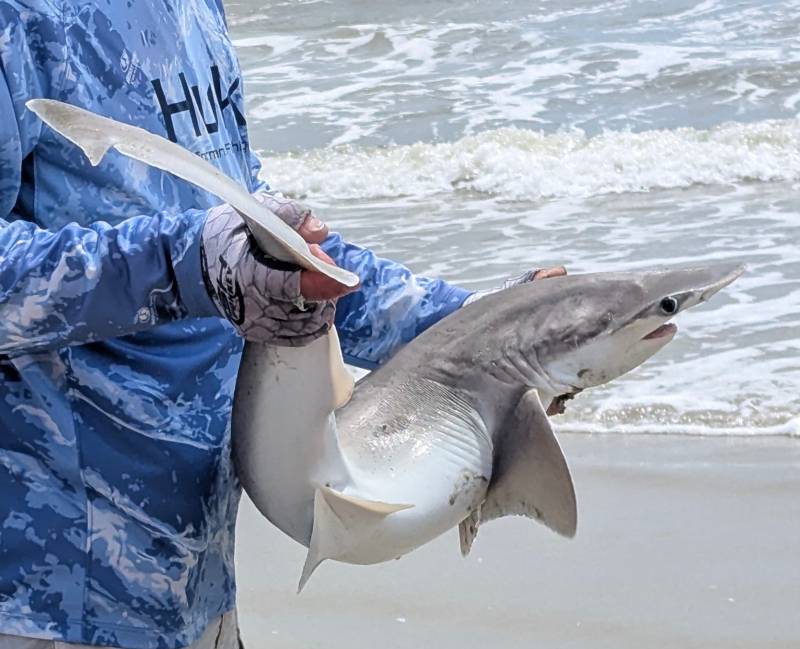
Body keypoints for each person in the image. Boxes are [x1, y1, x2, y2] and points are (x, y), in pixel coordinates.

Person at [0, 2, 565, 648]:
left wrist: (471, 326)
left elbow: (255, 239)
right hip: (52, 602)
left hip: (197, 585)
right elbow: (205, 251)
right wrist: (188, 264)